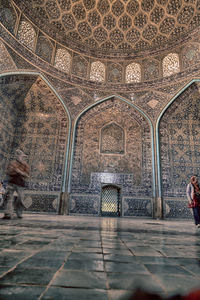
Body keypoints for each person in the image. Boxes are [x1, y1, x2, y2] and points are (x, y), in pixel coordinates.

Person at [3, 149, 30, 219]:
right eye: (17, 155)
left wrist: (20, 172)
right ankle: (8, 214)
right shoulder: (12, 163)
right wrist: (13, 171)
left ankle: (19, 212)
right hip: (12, 182)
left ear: (22, 156)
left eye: (20, 156)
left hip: (20, 183)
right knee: (9, 198)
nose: (19, 157)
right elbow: (7, 172)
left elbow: (27, 175)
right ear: (16, 156)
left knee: (20, 198)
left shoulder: (25, 165)